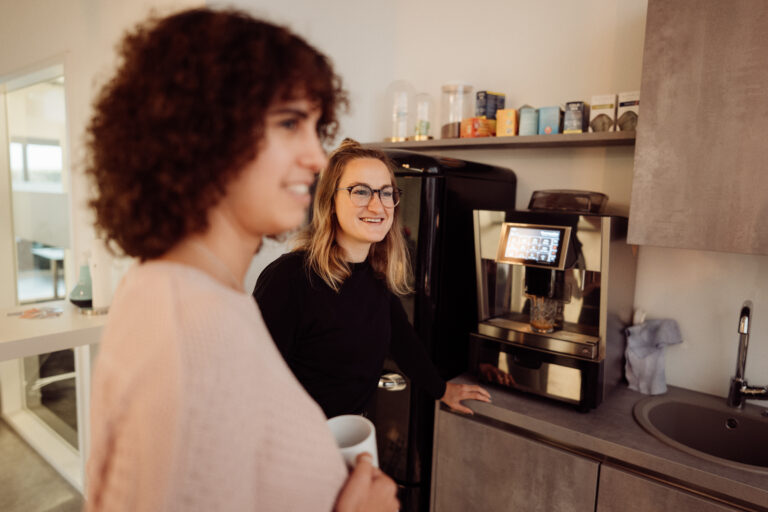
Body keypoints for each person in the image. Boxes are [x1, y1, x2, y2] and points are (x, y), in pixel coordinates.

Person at [84, 9, 398, 512]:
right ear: (203, 133)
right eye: (290, 123)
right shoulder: (186, 326)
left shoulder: (207, 297)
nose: (317, 159)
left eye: (315, 126)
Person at [253, 139, 491, 419]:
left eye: (386, 193)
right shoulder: (290, 278)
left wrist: (441, 390)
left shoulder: (375, 274)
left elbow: (403, 340)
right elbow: (254, 381)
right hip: (294, 443)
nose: (378, 207)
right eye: (361, 191)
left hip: (351, 436)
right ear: (330, 201)